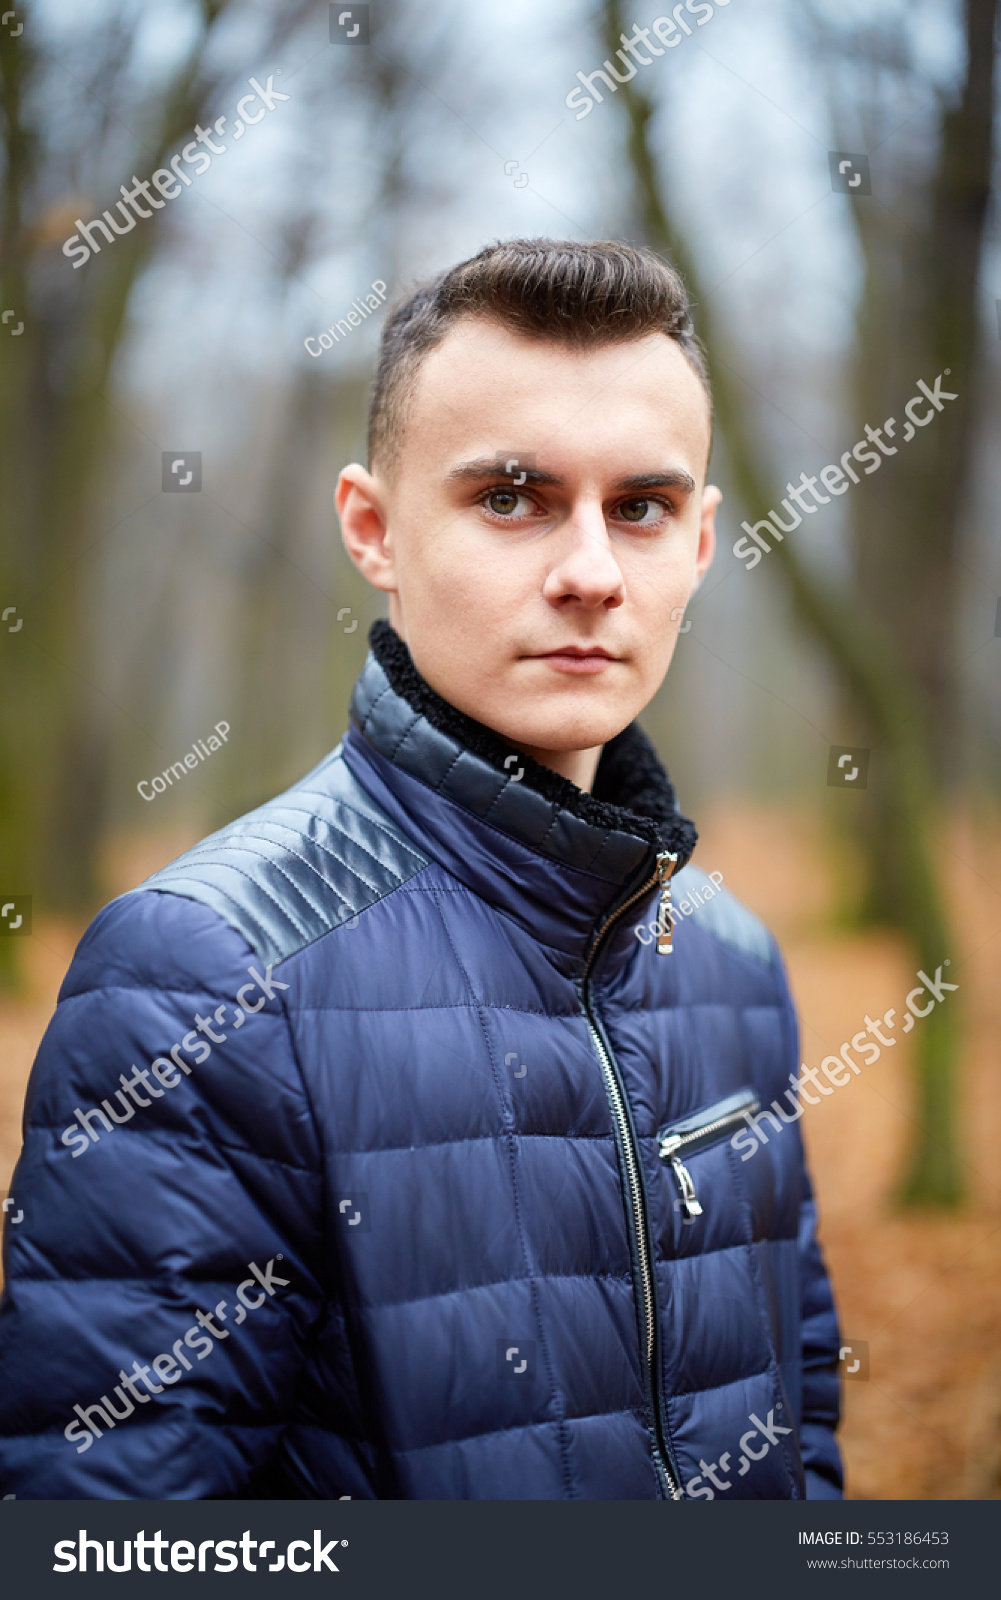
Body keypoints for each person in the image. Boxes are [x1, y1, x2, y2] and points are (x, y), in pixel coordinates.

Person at [0, 238, 842, 1500]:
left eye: (642, 507)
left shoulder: (728, 959)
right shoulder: (202, 973)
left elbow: (800, 1405)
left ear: (704, 540)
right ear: (372, 529)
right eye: (510, 496)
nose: (589, 572)